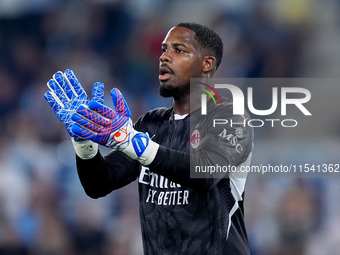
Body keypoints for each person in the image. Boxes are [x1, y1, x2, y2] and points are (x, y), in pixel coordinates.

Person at [44, 22, 254, 255]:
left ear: (207, 63)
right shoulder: (151, 124)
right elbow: (98, 184)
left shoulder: (230, 118)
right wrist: (84, 145)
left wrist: (136, 145)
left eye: (179, 50)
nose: (164, 56)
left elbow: (206, 174)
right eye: (164, 49)